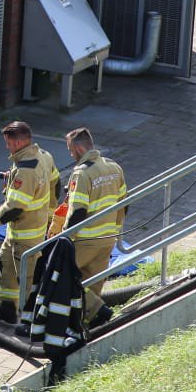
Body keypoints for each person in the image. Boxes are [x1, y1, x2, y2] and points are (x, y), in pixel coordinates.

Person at [0, 121, 59, 325]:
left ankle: (31, 321)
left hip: (26, 234)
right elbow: (55, 183)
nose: (7, 147)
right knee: (6, 264)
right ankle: (6, 307)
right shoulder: (43, 156)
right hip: (22, 231)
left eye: (9, 143)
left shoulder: (26, 170)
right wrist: (50, 214)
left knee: (28, 279)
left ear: (20, 142)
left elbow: (14, 208)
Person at [60, 127, 126, 326]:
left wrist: (65, 237)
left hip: (85, 240)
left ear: (78, 149)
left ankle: (98, 311)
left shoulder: (81, 173)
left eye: (70, 149)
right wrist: (115, 230)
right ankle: (87, 323)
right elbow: (124, 203)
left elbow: (78, 211)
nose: (70, 154)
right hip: (107, 239)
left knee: (62, 277)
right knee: (93, 284)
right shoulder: (114, 167)